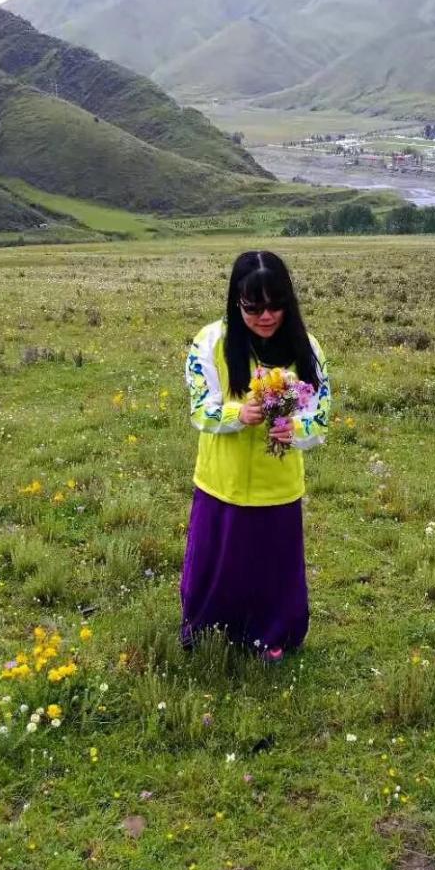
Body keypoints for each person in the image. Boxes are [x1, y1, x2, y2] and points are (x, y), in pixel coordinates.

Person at [180, 250, 330, 661]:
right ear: (236, 300)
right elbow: (199, 409)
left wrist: (294, 430)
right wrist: (237, 414)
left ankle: (274, 635)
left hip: (277, 485)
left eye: (276, 304)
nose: (267, 316)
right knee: (218, 564)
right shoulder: (209, 341)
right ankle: (207, 632)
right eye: (254, 307)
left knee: (273, 568)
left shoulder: (307, 347)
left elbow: (320, 417)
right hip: (220, 482)